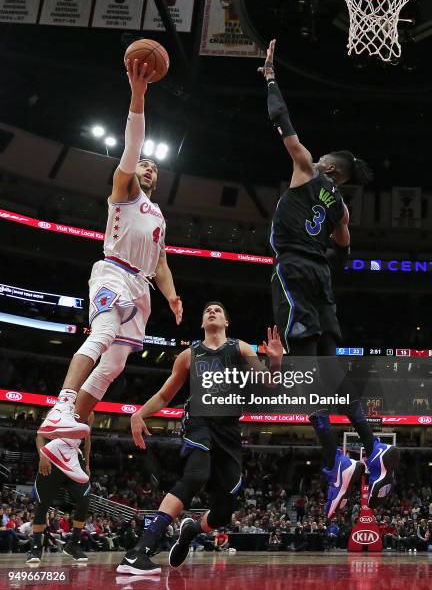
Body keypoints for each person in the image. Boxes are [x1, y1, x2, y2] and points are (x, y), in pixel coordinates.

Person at [258, 39, 399, 517]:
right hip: (321, 280)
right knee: (329, 374)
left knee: (303, 377)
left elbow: (283, 123)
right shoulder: (339, 204)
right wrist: (338, 226)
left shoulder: (306, 171)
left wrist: (271, 78)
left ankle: (335, 459)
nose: (311, 161)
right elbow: (344, 244)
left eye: (320, 164)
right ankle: (371, 446)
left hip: (295, 271)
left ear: (328, 169)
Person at [37, 58, 183, 482]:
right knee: (100, 336)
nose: (148, 166)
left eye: (154, 166)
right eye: (144, 164)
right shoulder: (124, 190)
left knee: (115, 364)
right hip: (113, 273)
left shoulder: (158, 216)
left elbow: (161, 262)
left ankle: (65, 444)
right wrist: (138, 98)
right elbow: (132, 147)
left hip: (141, 288)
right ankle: (63, 404)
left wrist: (171, 295)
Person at [117, 301, 283, 575]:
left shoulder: (240, 348)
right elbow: (164, 395)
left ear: (226, 322)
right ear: (202, 323)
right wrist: (139, 414)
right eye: (207, 310)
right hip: (199, 422)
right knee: (195, 475)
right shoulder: (189, 355)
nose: (212, 311)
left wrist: (276, 362)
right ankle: (139, 551)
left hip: (229, 430)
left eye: (219, 309)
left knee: (223, 513)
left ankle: (191, 530)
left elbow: (271, 383)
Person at [26, 414, 94, 563]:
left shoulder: (89, 412)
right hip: (53, 457)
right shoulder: (59, 408)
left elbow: (87, 439)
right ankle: (36, 548)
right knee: (43, 503)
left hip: (75, 459)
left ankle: (73, 545)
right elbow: (40, 435)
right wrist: (42, 455)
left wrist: (87, 464)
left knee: (84, 498)